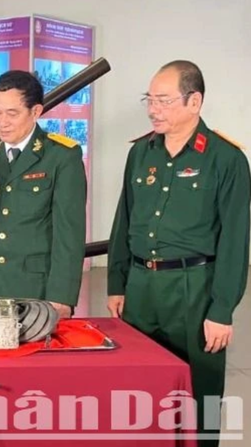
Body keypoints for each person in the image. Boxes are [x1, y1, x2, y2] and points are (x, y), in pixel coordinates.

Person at [107, 60, 249, 446]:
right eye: (149, 100)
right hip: (141, 285)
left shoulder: (225, 158)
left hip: (194, 288)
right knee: (140, 385)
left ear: (195, 101)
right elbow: (124, 221)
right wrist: (117, 283)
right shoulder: (141, 153)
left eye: (164, 100)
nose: (154, 109)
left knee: (199, 390)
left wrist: (221, 310)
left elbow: (236, 240)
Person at [0, 70, 87, 317]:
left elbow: (69, 233)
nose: (2, 122)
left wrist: (62, 296)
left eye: (12, 113)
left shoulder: (61, 156)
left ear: (36, 111)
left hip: (37, 287)